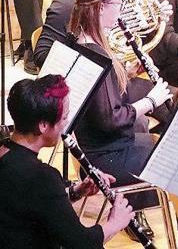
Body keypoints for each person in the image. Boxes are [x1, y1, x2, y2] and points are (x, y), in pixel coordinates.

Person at [69, 0, 172, 242]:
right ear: (101, 7)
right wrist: (151, 101)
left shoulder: (80, 41)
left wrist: (123, 72)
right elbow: (112, 119)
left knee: (160, 142)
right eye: (117, 3)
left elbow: (103, 100)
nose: (121, 9)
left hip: (98, 147)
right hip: (109, 157)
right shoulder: (96, 54)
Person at [0, 75, 134, 248]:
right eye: (64, 118)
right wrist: (116, 222)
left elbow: (31, 204)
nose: (66, 124)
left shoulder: (5, 152)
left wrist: (76, 192)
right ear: (43, 125)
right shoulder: (41, 177)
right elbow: (81, 243)